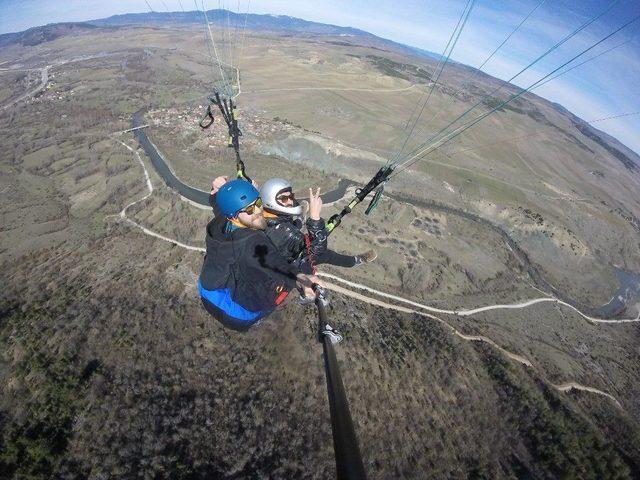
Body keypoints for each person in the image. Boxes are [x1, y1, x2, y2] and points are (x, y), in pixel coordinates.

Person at [199, 177, 319, 332]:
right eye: (249, 210)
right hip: (237, 314)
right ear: (234, 216)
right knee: (287, 271)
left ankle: (294, 224)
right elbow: (274, 263)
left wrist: (217, 192)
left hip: (208, 289)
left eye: (258, 203)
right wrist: (301, 279)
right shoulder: (252, 241)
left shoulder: (220, 222)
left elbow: (218, 204)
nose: (257, 212)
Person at [259, 178, 377, 273]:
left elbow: (288, 227)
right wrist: (315, 218)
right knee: (327, 255)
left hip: (283, 248)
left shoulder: (267, 215)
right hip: (293, 265)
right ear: (270, 200)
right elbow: (317, 250)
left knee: (297, 226)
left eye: (291, 196)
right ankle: (357, 260)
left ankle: (301, 219)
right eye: (284, 198)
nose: (290, 201)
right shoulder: (284, 233)